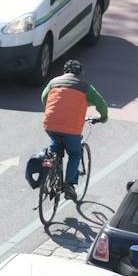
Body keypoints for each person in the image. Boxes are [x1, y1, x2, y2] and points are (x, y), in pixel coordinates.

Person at [40, 59, 110, 200]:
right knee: (74, 153)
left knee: (55, 144)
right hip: (71, 129)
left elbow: (44, 98)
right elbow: (101, 103)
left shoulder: (54, 82)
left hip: (50, 124)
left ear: (64, 71)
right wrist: (103, 118)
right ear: (80, 73)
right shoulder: (85, 86)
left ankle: (48, 168)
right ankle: (69, 185)